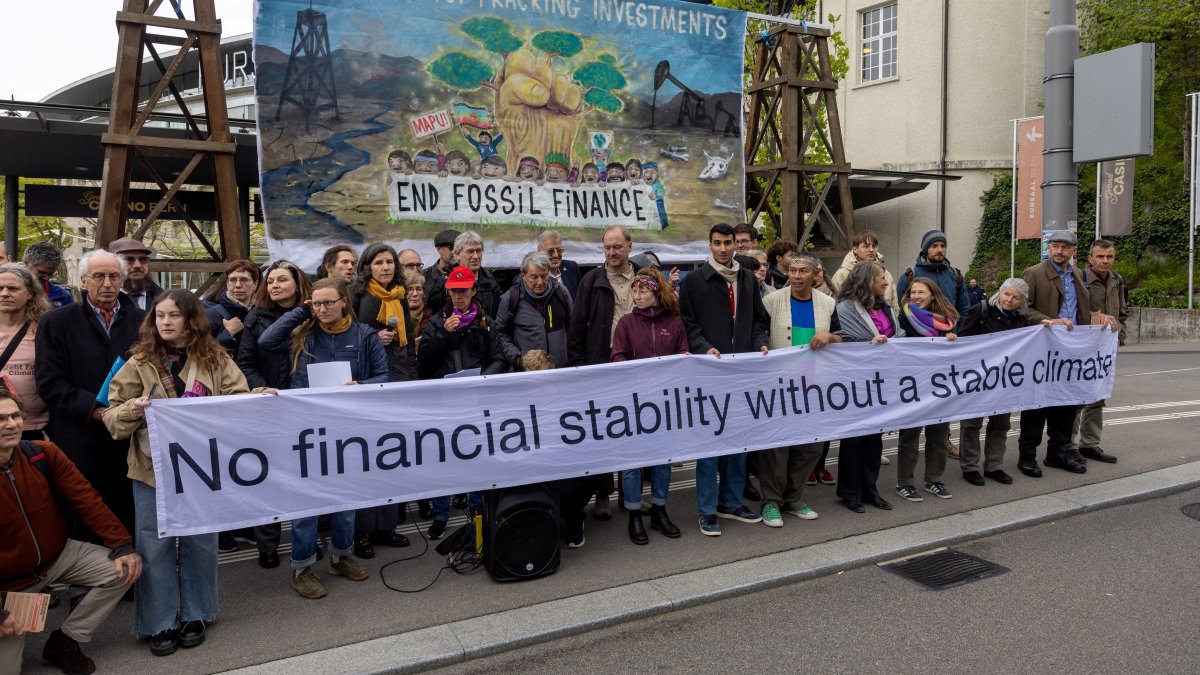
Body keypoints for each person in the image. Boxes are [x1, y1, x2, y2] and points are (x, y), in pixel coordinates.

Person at [104, 290, 265, 656]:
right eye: (159, 315)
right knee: (154, 546)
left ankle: (197, 613)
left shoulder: (216, 358)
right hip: (150, 471)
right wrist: (134, 408)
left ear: (191, 318)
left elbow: (237, 403)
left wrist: (259, 396)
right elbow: (111, 419)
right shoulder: (137, 362)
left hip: (201, 471)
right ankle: (159, 621)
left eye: (173, 315)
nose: (165, 322)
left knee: (200, 542)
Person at [259, 278, 387, 599]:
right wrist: (301, 312)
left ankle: (341, 556)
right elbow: (265, 342)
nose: (323, 309)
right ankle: (302, 567)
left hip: (347, 428)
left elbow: (385, 376)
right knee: (306, 501)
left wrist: (363, 386)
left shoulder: (365, 335)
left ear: (344, 301)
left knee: (346, 498)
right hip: (305, 427)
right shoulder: (304, 333)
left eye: (329, 302)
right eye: (317, 303)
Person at [0, 390, 142, 675]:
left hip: (57, 556)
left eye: (15, 416)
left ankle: (65, 641)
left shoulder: (42, 453)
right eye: (1, 419)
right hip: (9, 584)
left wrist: (123, 545)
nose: (11, 424)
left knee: (124, 570)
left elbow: (86, 499)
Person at [36, 250, 145, 535]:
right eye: (99, 276)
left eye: (113, 276)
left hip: (129, 434)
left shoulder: (143, 321)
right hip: (78, 435)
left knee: (127, 515)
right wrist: (95, 411)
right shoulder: (57, 322)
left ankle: (130, 574)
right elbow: (49, 383)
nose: (107, 283)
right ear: (83, 280)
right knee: (81, 513)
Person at [679, 223, 770, 535]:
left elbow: (759, 319)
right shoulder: (693, 282)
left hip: (741, 373)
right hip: (708, 372)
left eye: (727, 242)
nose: (722, 248)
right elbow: (688, 324)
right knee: (709, 445)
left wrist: (759, 341)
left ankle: (730, 501)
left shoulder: (746, 278)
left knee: (739, 441)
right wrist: (705, 348)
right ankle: (706, 510)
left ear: (735, 245)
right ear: (710, 245)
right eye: (716, 243)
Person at [235, 259, 312, 568]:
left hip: (304, 407)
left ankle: (305, 542)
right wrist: (261, 389)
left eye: (282, 280)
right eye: (271, 281)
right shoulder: (255, 318)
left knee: (304, 476)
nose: (275, 285)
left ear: (298, 284)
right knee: (267, 478)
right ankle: (267, 544)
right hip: (268, 405)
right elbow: (245, 363)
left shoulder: (313, 316)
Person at [1018, 231, 1114, 477]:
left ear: (1074, 251)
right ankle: (1027, 456)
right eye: (1055, 246)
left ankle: (1056, 453)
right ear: (1049, 248)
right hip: (1043, 351)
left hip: (1071, 353)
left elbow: (1086, 310)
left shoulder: (1078, 275)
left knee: (1066, 404)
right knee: (1037, 405)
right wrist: (1048, 320)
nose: (1059, 251)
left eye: (1065, 247)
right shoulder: (1034, 273)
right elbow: (1022, 309)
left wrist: (1098, 316)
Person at [418, 266, 504, 538]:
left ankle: (477, 508)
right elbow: (424, 363)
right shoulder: (437, 321)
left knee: (477, 457)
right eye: (454, 291)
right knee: (443, 459)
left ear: (473, 291)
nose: (458, 296)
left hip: (477, 399)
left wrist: (481, 379)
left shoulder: (485, 321)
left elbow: (499, 359)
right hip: (445, 402)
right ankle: (441, 515)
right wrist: (445, 334)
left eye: (463, 291)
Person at [757, 253, 842, 527]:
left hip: (815, 388)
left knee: (810, 447)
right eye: (792, 271)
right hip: (780, 386)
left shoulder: (828, 305)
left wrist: (829, 336)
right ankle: (771, 501)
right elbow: (758, 331)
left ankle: (793, 498)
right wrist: (761, 346)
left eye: (802, 271)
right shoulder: (771, 301)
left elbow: (843, 337)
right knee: (777, 448)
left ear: (816, 274)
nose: (795, 276)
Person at [567, 225, 642, 520]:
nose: (611, 253)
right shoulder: (591, 281)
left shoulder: (645, 277)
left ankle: (631, 494)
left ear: (629, 247)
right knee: (604, 433)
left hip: (639, 367)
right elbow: (576, 328)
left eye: (617, 247)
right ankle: (602, 493)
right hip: (602, 366)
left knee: (636, 431)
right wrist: (579, 369)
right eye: (607, 248)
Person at [347, 244, 416, 556]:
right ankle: (361, 532)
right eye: (379, 262)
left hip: (398, 381)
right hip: (368, 382)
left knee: (393, 457)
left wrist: (412, 383)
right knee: (365, 461)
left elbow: (409, 345)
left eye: (390, 262)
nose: (386, 267)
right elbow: (348, 337)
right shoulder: (359, 296)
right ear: (368, 267)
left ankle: (387, 526)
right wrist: (373, 338)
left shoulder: (400, 295)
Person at [610, 267, 686, 544]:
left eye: (643, 290)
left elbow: (682, 355)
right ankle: (633, 514)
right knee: (632, 461)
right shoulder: (626, 324)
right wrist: (637, 373)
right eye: (635, 290)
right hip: (634, 402)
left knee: (663, 459)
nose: (637, 295)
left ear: (657, 293)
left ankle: (659, 510)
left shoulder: (674, 323)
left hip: (664, 402)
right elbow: (617, 358)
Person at [833, 260, 903, 513]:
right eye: (880, 277)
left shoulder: (886, 309)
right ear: (866, 280)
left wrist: (889, 342)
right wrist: (871, 342)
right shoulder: (846, 308)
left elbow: (900, 335)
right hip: (856, 381)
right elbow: (846, 338)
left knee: (874, 439)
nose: (885, 282)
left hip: (882, 380)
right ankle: (850, 492)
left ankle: (870, 490)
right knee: (854, 439)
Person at [956, 277, 1030, 486]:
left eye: (1015, 297)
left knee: (1001, 424)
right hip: (978, 377)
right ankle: (969, 467)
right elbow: (963, 339)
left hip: (1004, 380)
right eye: (1006, 294)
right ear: (1000, 291)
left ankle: (994, 466)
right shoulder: (981, 310)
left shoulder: (1021, 317)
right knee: (972, 423)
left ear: (1022, 300)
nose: (1009, 300)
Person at [893, 277, 959, 502]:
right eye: (913, 292)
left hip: (940, 385)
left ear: (933, 294)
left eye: (922, 292)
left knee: (938, 435)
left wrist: (951, 340)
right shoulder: (903, 319)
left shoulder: (947, 321)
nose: (916, 297)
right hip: (913, 385)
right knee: (910, 436)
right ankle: (905, 482)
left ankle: (934, 479)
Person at [1067, 239, 1127, 464]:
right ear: (1090, 258)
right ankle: (1069, 445)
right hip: (1082, 349)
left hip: (1105, 351)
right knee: (1075, 399)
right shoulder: (1078, 279)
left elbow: (1122, 312)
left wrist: (1119, 337)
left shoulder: (1117, 280)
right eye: (1100, 256)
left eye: (1109, 256)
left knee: (1098, 397)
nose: (1105, 260)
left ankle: (1089, 444)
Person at [494, 251, 573, 370]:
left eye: (544, 276)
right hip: (528, 373)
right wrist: (518, 359)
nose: (540, 282)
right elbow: (500, 334)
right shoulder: (511, 298)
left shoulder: (560, 292)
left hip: (560, 370)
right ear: (523, 276)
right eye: (534, 277)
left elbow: (573, 325)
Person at [0, 263, 52, 438]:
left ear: (30, 293)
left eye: (12, 288)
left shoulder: (46, 329)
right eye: (0, 288)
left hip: (36, 427)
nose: (5, 293)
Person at [895, 229, 971, 328]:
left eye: (943, 246)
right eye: (934, 246)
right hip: (920, 338)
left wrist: (957, 331)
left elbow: (964, 308)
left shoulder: (955, 274)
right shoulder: (910, 276)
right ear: (925, 249)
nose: (940, 250)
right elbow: (903, 310)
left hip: (950, 338)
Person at [426, 231, 502, 317]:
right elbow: (434, 318)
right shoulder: (445, 283)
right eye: (470, 252)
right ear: (457, 254)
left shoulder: (490, 281)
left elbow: (497, 316)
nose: (476, 256)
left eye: (478, 251)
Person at [828, 230, 899, 311]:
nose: (871, 250)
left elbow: (894, 306)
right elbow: (833, 304)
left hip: (883, 321)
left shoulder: (886, 274)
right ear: (855, 249)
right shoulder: (842, 274)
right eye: (866, 246)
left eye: (874, 246)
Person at [205, 259, 260, 356]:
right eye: (233, 280)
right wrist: (227, 334)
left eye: (244, 280)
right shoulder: (211, 315)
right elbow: (201, 354)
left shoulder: (264, 314)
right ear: (227, 284)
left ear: (255, 284)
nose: (238, 285)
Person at [108, 237, 162, 311]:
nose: (138, 265)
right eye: (128, 260)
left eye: (142, 259)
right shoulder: (100, 300)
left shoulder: (164, 298)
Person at [22, 241, 74, 308]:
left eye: (51, 274)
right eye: (41, 273)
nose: (46, 278)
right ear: (26, 263)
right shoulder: (9, 292)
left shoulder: (63, 296)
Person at [538, 230, 581, 299]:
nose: (556, 255)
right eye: (550, 251)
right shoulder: (533, 274)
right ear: (540, 251)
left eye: (559, 250)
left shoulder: (572, 268)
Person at [404, 269, 433, 352]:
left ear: (424, 293)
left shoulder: (431, 318)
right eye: (409, 289)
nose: (415, 294)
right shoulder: (392, 316)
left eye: (419, 289)